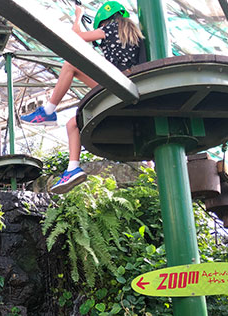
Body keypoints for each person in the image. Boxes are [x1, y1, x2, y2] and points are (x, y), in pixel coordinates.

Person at [21, 1, 144, 194]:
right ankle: (72, 169)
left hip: (118, 84)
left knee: (71, 64)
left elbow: (75, 39)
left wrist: (78, 15)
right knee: (73, 124)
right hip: (126, 86)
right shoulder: (133, 32)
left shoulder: (111, 28)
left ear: (104, 21)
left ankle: (48, 111)